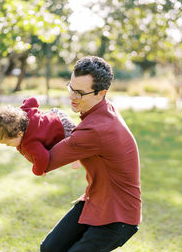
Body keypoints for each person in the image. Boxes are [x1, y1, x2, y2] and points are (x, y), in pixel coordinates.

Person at [40, 56, 141, 252]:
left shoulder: (96, 129)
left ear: (101, 93)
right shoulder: (103, 110)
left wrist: (18, 134)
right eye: (71, 87)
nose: (72, 96)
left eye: (79, 93)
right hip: (95, 200)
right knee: (50, 248)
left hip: (118, 216)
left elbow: (45, 162)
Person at [0, 97, 80, 176]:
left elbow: (43, 157)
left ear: (20, 133)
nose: (8, 146)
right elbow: (33, 100)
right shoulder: (23, 113)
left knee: (71, 147)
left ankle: (76, 159)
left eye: (8, 143)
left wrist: (38, 171)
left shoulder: (29, 143)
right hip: (55, 113)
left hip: (65, 129)